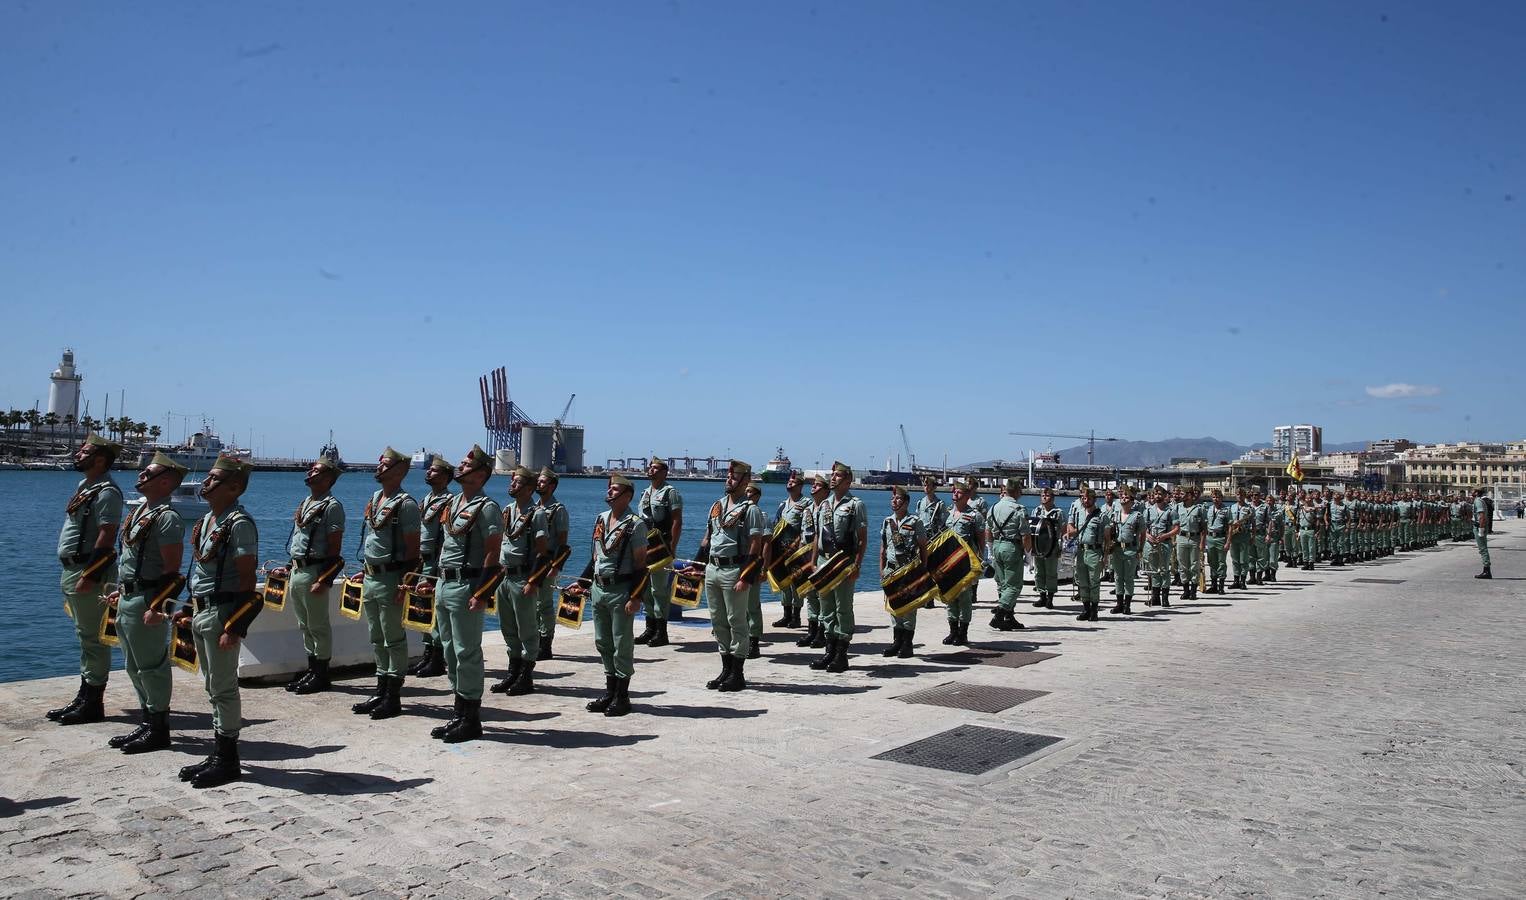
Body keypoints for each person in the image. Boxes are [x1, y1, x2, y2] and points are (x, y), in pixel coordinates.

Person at [175, 455, 260, 789]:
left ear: (234, 487)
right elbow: (199, 572)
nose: (206, 483)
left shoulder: (238, 523)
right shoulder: (209, 520)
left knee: (223, 687)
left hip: (222, 612)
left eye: (213, 479)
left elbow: (246, 578)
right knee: (212, 685)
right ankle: (218, 752)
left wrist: (235, 626)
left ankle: (228, 759)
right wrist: (187, 606)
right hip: (202, 609)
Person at [106, 451, 187, 753]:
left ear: (165, 482)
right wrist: (121, 589)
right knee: (133, 665)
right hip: (129, 596)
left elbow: (172, 570)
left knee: (152, 666)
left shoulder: (166, 518)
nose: (141, 476)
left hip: (148, 599)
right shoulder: (141, 511)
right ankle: (147, 720)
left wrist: (157, 607)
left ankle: (159, 727)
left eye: (148, 473)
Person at [49, 434, 125, 726]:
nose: (78, 454)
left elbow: (107, 534)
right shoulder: (87, 486)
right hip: (72, 569)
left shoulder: (107, 492)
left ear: (100, 460)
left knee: (93, 639)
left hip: (87, 571)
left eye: (85, 451)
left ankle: (93, 703)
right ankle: (83, 696)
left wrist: (90, 575)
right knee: (84, 635)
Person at [428, 446, 502, 743]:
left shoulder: (487, 507)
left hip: (466, 586)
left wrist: (481, 592)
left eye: (466, 464)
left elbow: (493, 552)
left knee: (466, 652)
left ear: (481, 474)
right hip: (444, 583)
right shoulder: (453, 503)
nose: (460, 467)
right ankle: (458, 713)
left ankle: (471, 718)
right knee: (449, 650)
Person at [352, 448, 421, 720]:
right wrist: (365, 571)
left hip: (392, 579)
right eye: (380, 464)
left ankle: (393, 695)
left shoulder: (406, 504)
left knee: (393, 638)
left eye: (386, 465)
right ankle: (380, 689)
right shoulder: (375, 498)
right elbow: (374, 541)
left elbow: (413, 550)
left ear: (400, 471)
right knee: (376, 636)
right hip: (372, 576)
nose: (379, 467)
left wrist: (405, 584)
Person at [692, 460, 765, 690]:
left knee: (737, 621)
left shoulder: (750, 510)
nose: (729, 480)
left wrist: (746, 577)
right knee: (718, 621)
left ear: (745, 480)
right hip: (713, 568)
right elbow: (708, 539)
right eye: (729, 476)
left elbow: (755, 545)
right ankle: (726, 668)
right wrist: (697, 566)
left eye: (734, 477)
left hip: (734, 570)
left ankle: (737, 673)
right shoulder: (717, 506)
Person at [279, 458, 346, 695]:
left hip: (314, 571)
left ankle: (322, 674)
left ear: (327, 478)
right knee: (304, 624)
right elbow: (300, 541)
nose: (310, 473)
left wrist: (324, 579)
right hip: (298, 570)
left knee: (318, 625)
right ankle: (312, 668)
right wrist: (288, 567)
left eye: (316, 471)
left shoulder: (331, 506)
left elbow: (334, 548)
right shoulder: (306, 502)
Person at [490, 467, 548, 697]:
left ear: (529, 488)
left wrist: (533, 581)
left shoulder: (537, 514)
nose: (512, 485)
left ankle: (526, 675)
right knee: (508, 627)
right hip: (504, 577)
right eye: (512, 481)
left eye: (517, 482)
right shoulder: (508, 510)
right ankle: (512, 672)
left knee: (527, 629)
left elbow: (542, 552)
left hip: (523, 577)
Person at [811, 462, 869, 669]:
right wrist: (813, 562)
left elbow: (862, 539)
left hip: (843, 563)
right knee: (826, 608)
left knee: (842, 608)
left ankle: (841, 654)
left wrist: (857, 566)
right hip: (823, 562)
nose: (833, 478)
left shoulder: (855, 505)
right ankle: (829, 651)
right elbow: (817, 535)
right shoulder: (824, 505)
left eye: (837, 475)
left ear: (848, 480)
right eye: (832, 475)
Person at [409, 455, 455, 678]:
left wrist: (435, 567)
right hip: (423, 561)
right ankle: (427, 656)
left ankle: (437, 659)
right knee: (424, 609)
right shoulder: (427, 499)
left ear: (445, 477)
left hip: (436, 563)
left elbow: (445, 538)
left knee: (436, 612)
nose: (429, 472)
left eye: (434, 471)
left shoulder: (449, 501)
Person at [635, 457, 683, 649]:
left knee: (659, 590)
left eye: (655, 468)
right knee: (646, 589)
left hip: (661, 546)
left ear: (664, 472)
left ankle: (661, 632)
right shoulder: (645, 493)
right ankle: (650, 628)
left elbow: (677, 521)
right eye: (650, 468)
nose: (651, 470)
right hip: (645, 546)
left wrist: (673, 546)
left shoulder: (670, 493)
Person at [880, 485, 929, 658]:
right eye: (892, 498)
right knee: (894, 607)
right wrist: (881, 569)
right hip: (891, 570)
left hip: (908, 571)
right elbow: (884, 548)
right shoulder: (887, 522)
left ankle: (907, 644)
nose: (894, 501)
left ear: (906, 502)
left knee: (908, 609)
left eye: (898, 498)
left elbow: (923, 547)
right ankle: (897, 642)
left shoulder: (915, 522)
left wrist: (923, 570)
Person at [939, 478, 985, 645]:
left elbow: (981, 540)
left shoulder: (974, 516)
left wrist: (980, 559)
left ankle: (962, 632)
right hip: (948, 562)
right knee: (950, 597)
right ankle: (952, 630)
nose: (955, 494)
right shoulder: (947, 514)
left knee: (964, 598)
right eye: (954, 492)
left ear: (966, 496)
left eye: (958, 492)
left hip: (965, 563)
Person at [534, 468, 570, 660]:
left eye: (542, 482)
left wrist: (556, 566)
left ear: (552, 486)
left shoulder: (558, 509)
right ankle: (534, 640)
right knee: (532, 604)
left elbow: (563, 542)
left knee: (544, 604)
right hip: (532, 561)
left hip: (548, 561)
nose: (538, 484)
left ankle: (545, 643)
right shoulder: (533, 507)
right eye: (538, 481)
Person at [770, 469, 811, 630]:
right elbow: (776, 525)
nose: (790, 483)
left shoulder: (806, 503)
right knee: (784, 582)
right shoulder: (783, 504)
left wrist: (803, 545)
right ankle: (786, 615)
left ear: (800, 486)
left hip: (796, 550)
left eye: (793, 482)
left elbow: (808, 526)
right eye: (789, 481)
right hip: (781, 550)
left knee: (796, 582)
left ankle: (796, 616)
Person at [986, 477, 1028, 631]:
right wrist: (1028, 554)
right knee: (1014, 586)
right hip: (1011, 547)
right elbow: (1025, 535)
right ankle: (999, 615)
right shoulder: (1019, 509)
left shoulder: (994, 507)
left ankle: (1009, 617)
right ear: (1017, 491)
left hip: (997, 545)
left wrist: (991, 548)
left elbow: (988, 531)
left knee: (1003, 584)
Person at [795, 474, 829, 649]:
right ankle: (812, 630)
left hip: (821, 556)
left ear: (825, 490)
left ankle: (822, 632)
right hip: (806, 554)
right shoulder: (808, 508)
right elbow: (803, 533)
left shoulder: (827, 508)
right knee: (810, 594)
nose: (813, 487)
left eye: (817, 485)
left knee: (822, 595)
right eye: (813, 485)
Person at [1066, 487, 1105, 621]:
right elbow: (1077, 529)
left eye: (1088, 498)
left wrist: (1105, 556)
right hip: (1081, 551)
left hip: (1094, 551)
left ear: (1094, 499)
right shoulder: (1079, 514)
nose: (1085, 500)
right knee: (1082, 581)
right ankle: (1086, 609)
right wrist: (1069, 534)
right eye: (1083, 498)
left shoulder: (1101, 516)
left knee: (1094, 582)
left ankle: (1094, 610)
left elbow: (1107, 538)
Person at [1105, 487, 1145, 614]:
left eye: (1127, 497)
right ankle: (1119, 604)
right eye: (1122, 497)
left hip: (1130, 549)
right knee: (1118, 577)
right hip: (1117, 549)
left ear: (1132, 501)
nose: (1123, 499)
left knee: (1128, 578)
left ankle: (1127, 605)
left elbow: (1142, 533)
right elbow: (1108, 531)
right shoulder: (1115, 515)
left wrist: (1140, 549)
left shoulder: (1137, 516)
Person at [1029, 487, 1064, 609]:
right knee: (1039, 572)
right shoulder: (1036, 511)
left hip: (1052, 546)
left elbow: (1062, 530)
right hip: (1038, 546)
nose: (1044, 497)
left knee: (1051, 572)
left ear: (1052, 498)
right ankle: (1042, 596)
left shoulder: (1058, 513)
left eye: (1047, 495)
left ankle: (1050, 598)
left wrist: (1061, 547)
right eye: (1042, 495)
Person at [916, 476, 947, 609]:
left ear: (934, 487)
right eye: (925, 485)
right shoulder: (920, 503)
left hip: (933, 539)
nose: (926, 488)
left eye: (929, 485)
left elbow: (944, 523)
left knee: (932, 569)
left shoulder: (939, 504)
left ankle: (930, 598)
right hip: (921, 539)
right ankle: (923, 596)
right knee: (921, 568)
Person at [1144, 487, 1178, 606]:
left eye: (1159, 494)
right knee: (1154, 570)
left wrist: (1165, 535)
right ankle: (1155, 597)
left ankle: (1165, 598)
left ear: (1164, 496)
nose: (1157, 496)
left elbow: (1177, 529)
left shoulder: (1171, 511)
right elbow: (1144, 528)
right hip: (1151, 544)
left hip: (1165, 543)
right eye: (1155, 494)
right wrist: (1148, 536)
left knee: (1164, 570)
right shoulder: (1148, 511)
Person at [744, 482, 767, 659]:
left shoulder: (761, 515)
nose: (747, 495)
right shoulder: (738, 513)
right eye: (745, 491)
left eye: (750, 492)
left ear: (757, 495)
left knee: (752, 605)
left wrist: (763, 567)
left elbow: (766, 544)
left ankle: (754, 642)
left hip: (752, 564)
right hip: (738, 564)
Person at [1173, 485, 1206, 601]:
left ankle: (1193, 591)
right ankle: (1185, 590)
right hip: (1181, 538)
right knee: (1182, 565)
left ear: (1190, 495)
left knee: (1194, 565)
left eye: (1183, 494)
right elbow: (1174, 525)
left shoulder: (1199, 509)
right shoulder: (1177, 508)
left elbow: (1203, 528)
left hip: (1194, 539)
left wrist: (1202, 542)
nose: (1180, 496)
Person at [1203, 489, 1233, 594]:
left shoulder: (1226, 510)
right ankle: (1214, 585)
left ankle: (1221, 586)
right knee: (1212, 562)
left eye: (1218, 497)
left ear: (1221, 498)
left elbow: (1230, 527)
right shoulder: (1209, 509)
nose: (1216, 499)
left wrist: (1228, 542)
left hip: (1221, 538)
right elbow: (1205, 525)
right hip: (1210, 538)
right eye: (1214, 497)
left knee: (1221, 562)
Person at [1474, 487, 1493, 579]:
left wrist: (1481, 529)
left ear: (1476, 492)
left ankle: (1487, 570)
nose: (1471, 492)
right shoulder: (1481, 501)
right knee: (1483, 548)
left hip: (1479, 526)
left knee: (1483, 549)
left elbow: (1481, 516)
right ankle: (1486, 570)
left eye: (1473, 490)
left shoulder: (1478, 501)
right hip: (1480, 525)